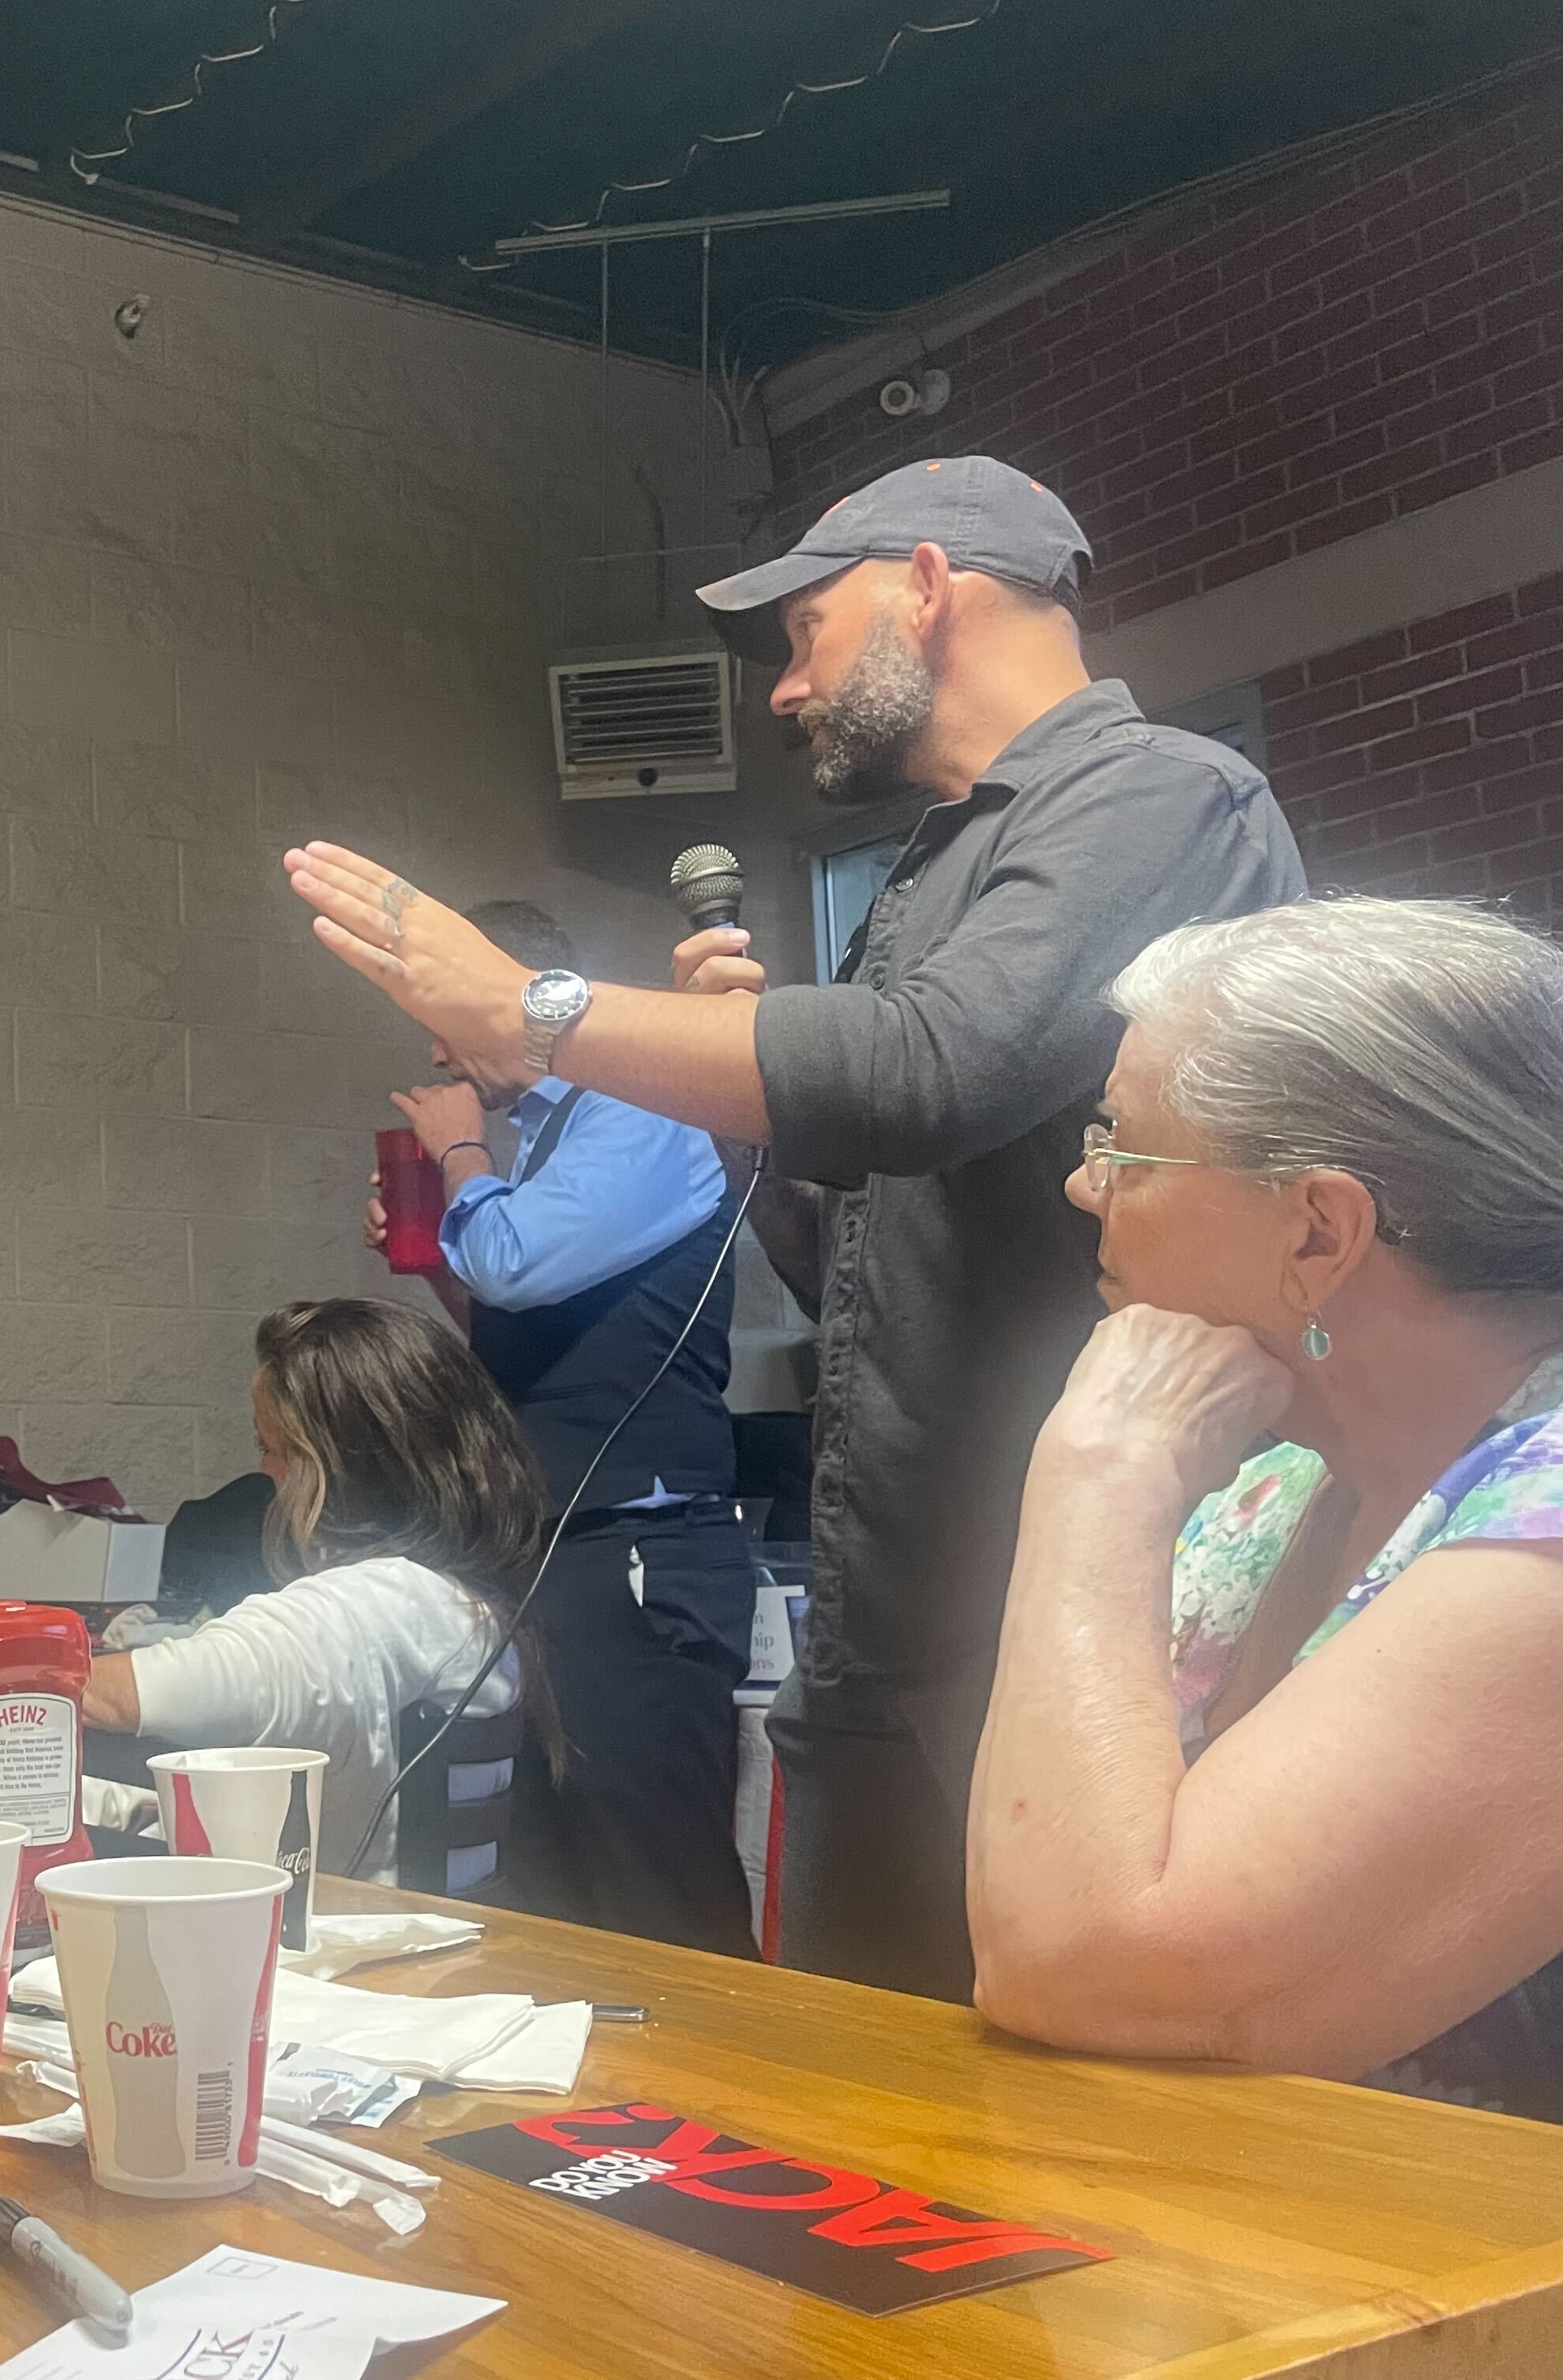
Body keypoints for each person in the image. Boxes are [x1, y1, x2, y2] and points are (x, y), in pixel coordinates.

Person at [277, 456, 1306, 1999]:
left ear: (930, 584)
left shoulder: (1159, 796)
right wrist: (749, 1121)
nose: (786, 688)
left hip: (1090, 1616)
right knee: (861, 2106)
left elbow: (928, 1070)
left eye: (809, 629)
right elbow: (859, 1260)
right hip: (904, 1605)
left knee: (1073, 2138)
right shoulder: (933, 869)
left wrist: (537, 1012)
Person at [968, 899, 1563, 2119]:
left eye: (1125, 1147)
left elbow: (1089, 1965)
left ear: (1319, 1229)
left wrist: (1101, 1469)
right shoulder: (1274, 1482)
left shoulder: (1544, 1522)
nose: (1085, 1186)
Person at [366, 898, 758, 1958]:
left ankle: (725, 2102)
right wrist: (446, 1246)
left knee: (648, 1880)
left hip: (634, 1546)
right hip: (549, 1547)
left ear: (514, 998)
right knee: (549, 1878)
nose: (438, 1051)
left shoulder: (640, 1114)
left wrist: (456, 1157)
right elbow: (514, 1324)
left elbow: (516, 1264)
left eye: (446, 1020)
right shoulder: (546, 1151)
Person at [77, 1298, 546, 1885]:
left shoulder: (374, 1607)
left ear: (335, 1464)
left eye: (271, 1449)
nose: (267, 1478)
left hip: (360, 1953)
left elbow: (124, 1697)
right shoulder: (463, 1600)